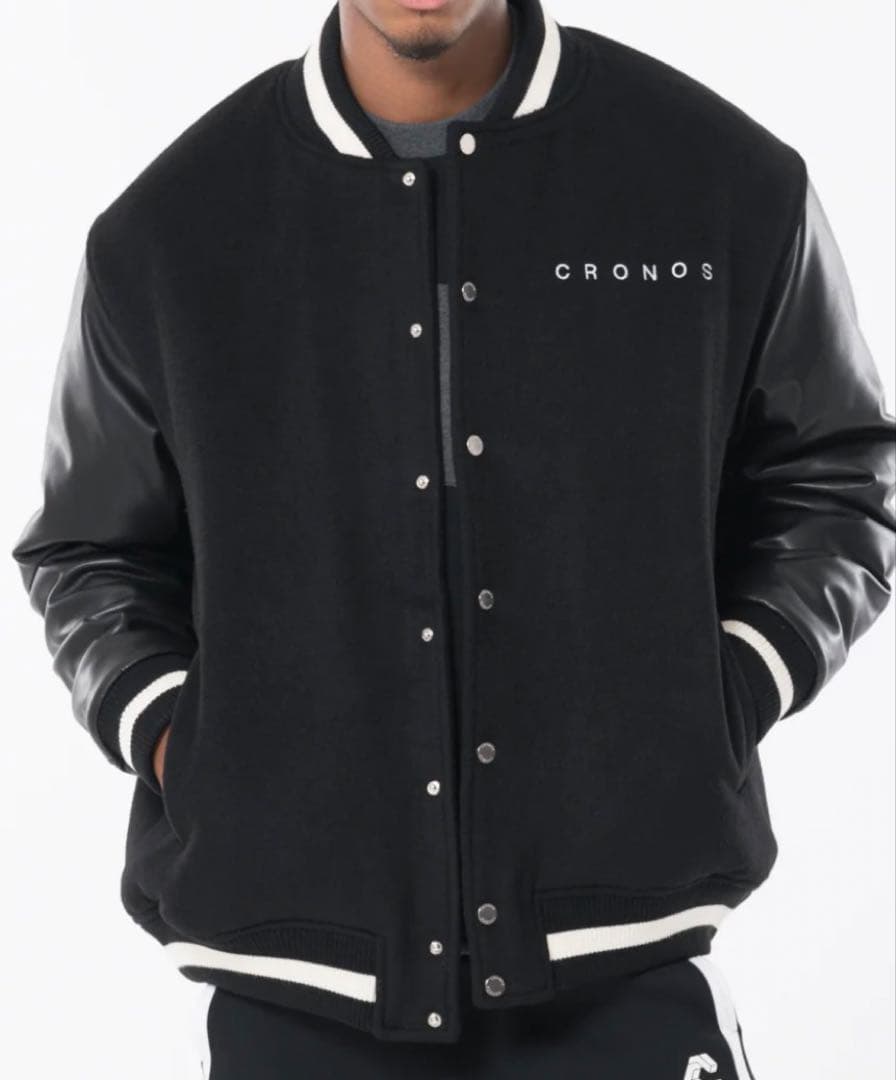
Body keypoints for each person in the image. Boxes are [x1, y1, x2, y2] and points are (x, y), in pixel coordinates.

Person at [12, 0, 895, 1076]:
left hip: (626, 971)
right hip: (294, 982)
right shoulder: (168, 231)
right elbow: (89, 550)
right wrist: (182, 742)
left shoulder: (718, 178)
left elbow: (837, 474)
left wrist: (722, 696)